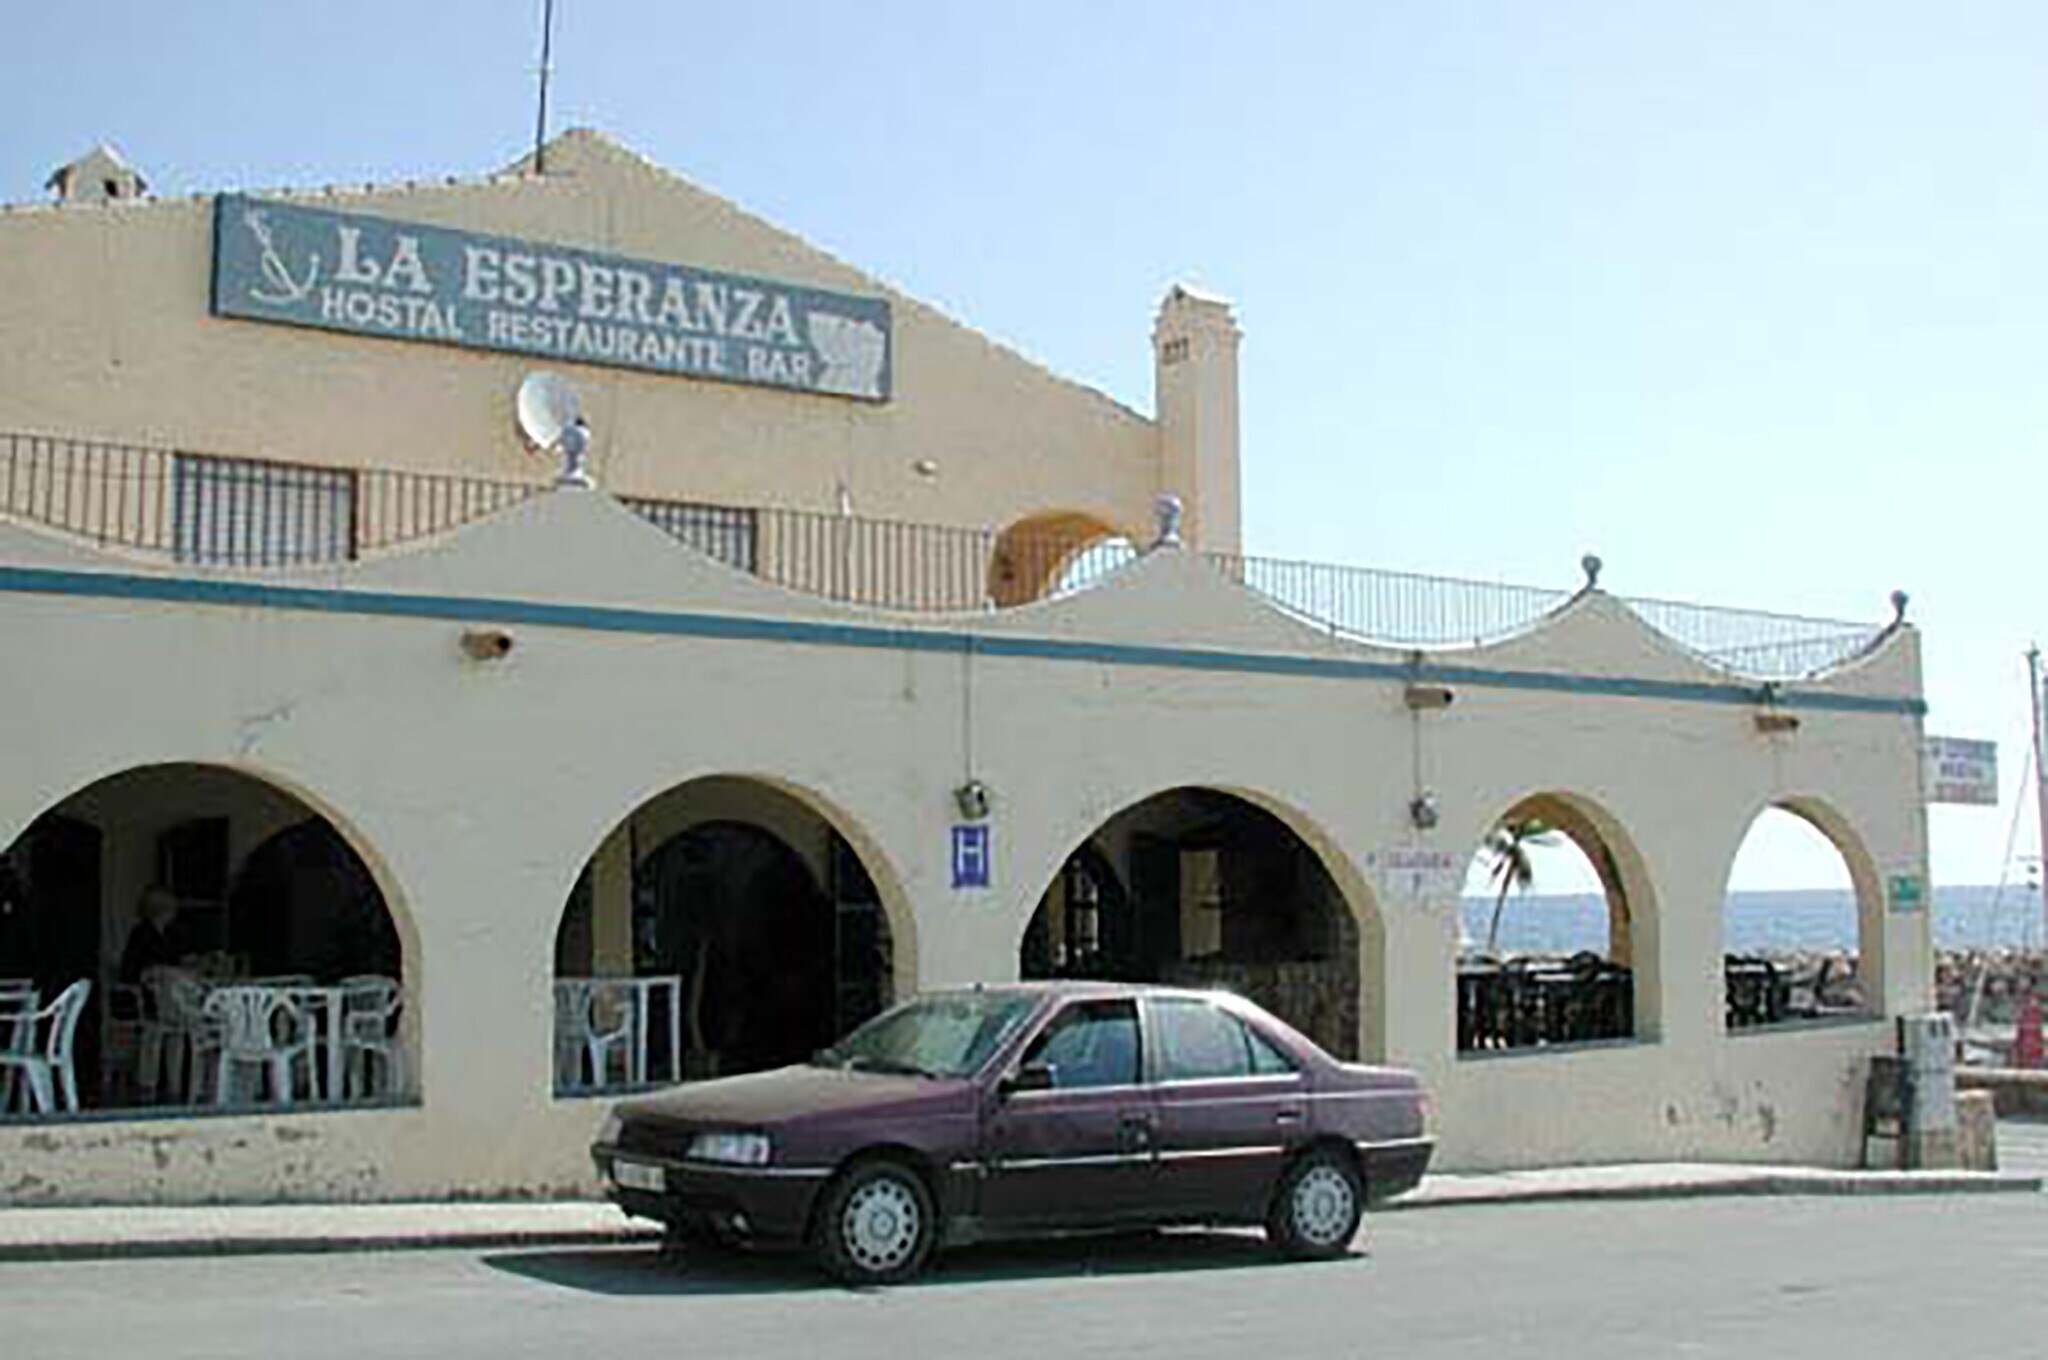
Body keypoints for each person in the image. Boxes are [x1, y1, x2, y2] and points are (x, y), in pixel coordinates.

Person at [118, 886, 181, 987]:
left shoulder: (169, 933)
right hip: (147, 989)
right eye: (172, 907)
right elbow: (128, 972)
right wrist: (152, 972)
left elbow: (173, 961)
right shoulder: (141, 933)